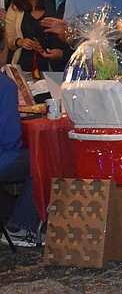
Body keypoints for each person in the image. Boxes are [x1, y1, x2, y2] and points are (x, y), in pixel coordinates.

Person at [0, 25, 42, 248]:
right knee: (41, 159)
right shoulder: (4, 86)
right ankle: (21, 226)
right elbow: (10, 140)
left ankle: (11, 218)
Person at [4, 0, 65, 76]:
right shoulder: (16, 7)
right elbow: (9, 39)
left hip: (51, 66)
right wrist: (19, 41)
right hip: (24, 67)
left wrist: (43, 46)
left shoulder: (52, 3)